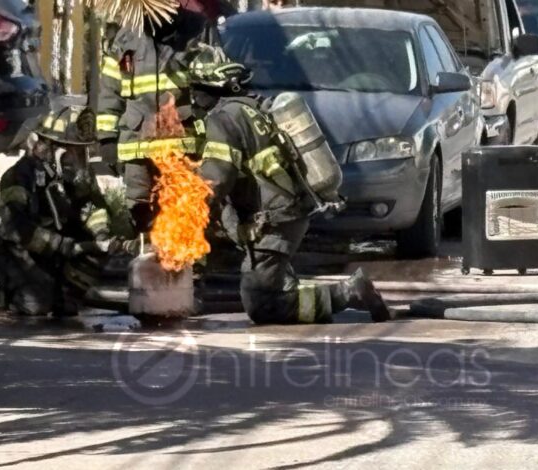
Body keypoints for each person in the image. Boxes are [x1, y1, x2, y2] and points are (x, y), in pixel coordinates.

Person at [189, 48, 393, 324]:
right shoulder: (252, 108)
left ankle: (349, 293)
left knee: (262, 304)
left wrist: (190, 214)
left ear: (214, 89)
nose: (194, 97)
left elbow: (217, 177)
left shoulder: (223, 120)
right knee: (271, 287)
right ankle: (315, 290)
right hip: (285, 211)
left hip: (274, 220)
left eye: (198, 89)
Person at [0, 104, 132, 317]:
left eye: (81, 152)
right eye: (71, 152)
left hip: (61, 250)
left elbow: (92, 206)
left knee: (87, 267)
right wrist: (64, 246)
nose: (77, 159)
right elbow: (16, 227)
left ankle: (66, 295)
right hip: (23, 253)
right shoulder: (18, 177)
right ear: (49, 147)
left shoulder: (76, 176)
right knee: (36, 306)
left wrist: (101, 235)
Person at [95, 0, 232, 237]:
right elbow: (110, 92)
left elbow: (222, 76)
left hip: (183, 146)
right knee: (140, 212)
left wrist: (208, 93)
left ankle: (189, 271)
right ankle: (148, 267)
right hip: (137, 146)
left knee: (186, 213)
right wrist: (107, 138)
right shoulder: (126, 37)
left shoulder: (198, 29)